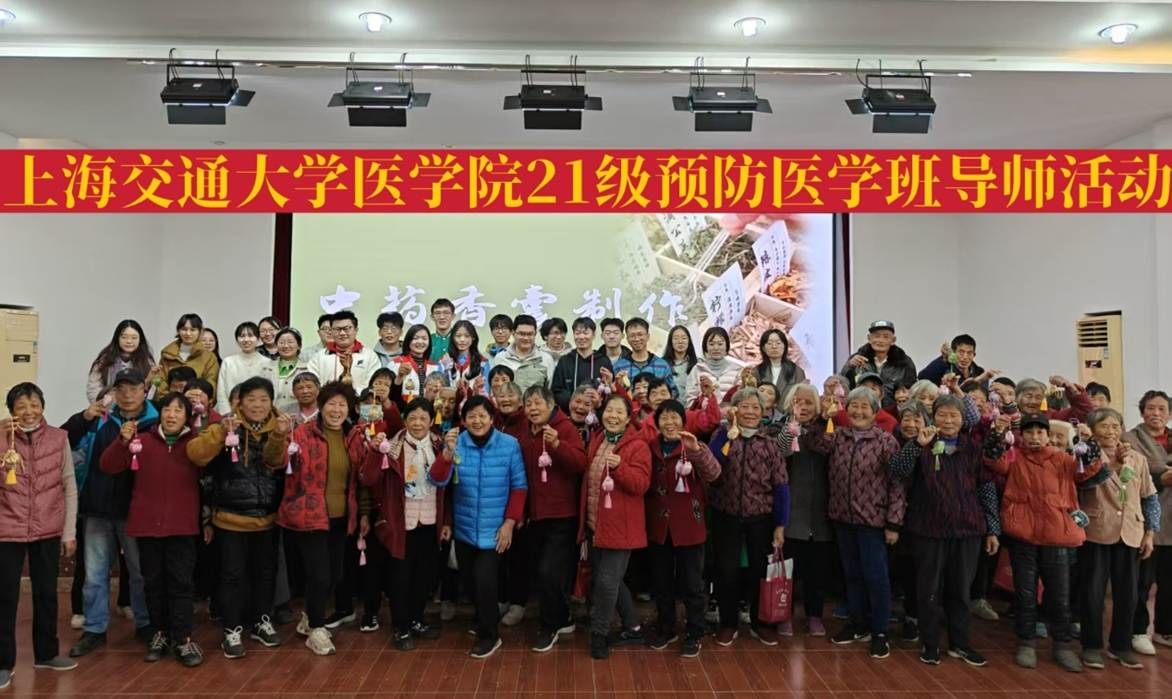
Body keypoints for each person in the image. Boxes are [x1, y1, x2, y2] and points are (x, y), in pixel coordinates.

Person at [984, 412, 1104, 672]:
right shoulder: (1014, 458)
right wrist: (997, 433)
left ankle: (1062, 645)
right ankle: (1026, 642)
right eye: (1029, 432)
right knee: (1025, 594)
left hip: (1058, 536)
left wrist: (1089, 441)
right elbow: (992, 460)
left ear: (1048, 435)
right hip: (1023, 536)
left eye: (1040, 432)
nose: (1034, 437)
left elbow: (1089, 471)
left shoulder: (1064, 459)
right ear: (1021, 435)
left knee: (1059, 595)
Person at [889, 395, 1001, 668]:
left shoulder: (972, 447)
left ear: (963, 420)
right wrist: (917, 444)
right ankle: (930, 644)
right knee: (928, 589)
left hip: (967, 529)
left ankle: (960, 644)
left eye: (954, 416)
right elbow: (896, 470)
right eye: (942, 415)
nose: (948, 421)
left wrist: (992, 529)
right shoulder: (921, 444)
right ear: (933, 417)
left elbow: (986, 488)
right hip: (928, 529)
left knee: (960, 590)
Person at [99, 392, 204, 667]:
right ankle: (159, 634)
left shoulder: (196, 444)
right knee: (153, 583)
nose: (171, 415)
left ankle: (183, 638)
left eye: (178, 410)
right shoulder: (141, 441)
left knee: (181, 584)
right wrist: (122, 441)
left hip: (182, 527)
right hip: (147, 526)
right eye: (167, 409)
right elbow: (108, 465)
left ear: (187, 416)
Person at [186, 376, 287, 660]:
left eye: (264, 399)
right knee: (232, 576)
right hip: (230, 518)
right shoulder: (225, 425)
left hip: (267, 517)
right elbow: (196, 455)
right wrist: (222, 432)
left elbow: (276, 462)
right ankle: (231, 629)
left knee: (265, 574)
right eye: (251, 399)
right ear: (240, 402)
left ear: (271, 402)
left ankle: (261, 621)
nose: (257, 405)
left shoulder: (278, 426)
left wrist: (279, 435)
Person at [805, 386, 906, 660]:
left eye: (864, 407)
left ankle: (880, 631)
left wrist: (894, 523)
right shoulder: (838, 436)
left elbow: (897, 485)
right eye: (854, 406)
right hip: (842, 518)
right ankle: (858, 623)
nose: (858, 412)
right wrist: (821, 418)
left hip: (874, 521)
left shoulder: (885, 441)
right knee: (852, 575)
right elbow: (815, 443)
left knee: (876, 578)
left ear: (875, 412)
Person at [63, 369, 155, 657]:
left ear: (145, 390)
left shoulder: (155, 421)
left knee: (140, 572)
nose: (127, 395)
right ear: (113, 392)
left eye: (134, 389)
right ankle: (94, 629)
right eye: (121, 389)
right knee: (94, 573)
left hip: (136, 510)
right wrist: (84, 417)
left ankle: (146, 624)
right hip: (98, 507)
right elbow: (63, 440)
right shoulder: (100, 418)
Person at [281, 382, 373, 655]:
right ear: (321, 406)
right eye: (331, 404)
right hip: (308, 516)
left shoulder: (354, 437)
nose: (336, 410)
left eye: (342, 405)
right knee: (319, 575)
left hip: (342, 517)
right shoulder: (302, 433)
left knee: (335, 575)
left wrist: (364, 513)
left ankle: (310, 616)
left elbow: (361, 479)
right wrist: (279, 438)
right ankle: (317, 629)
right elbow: (278, 462)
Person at [0, 383, 79, 688]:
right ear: (11, 410)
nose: (29, 411)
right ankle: (3, 663)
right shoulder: (2, 437)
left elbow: (69, 486)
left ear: (43, 407)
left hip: (48, 527)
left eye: (34, 405)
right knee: (5, 597)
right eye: (21, 406)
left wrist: (69, 532)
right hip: (7, 528)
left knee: (47, 594)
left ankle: (46, 654)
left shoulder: (59, 438)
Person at [359, 398, 453, 650]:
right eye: (413, 418)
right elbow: (368, 479)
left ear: (431, 421)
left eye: (423, 418)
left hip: (430, 522)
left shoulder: (440, 445)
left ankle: (416, 619)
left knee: (424, 577)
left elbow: (447, 490)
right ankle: (401, 628)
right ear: (404, 419)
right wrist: (373, 452)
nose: (418, 423)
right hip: (400, 524)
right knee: (400, 579)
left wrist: (446, 521)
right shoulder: (390, 447)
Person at [1076, 407, 1159, 670]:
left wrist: (1150, 533)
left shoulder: (1138, 458)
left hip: (1131, 532)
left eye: (1115, 426)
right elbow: (1084, 484)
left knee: (1128, 594)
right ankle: (1091, 646)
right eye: (1104, 426)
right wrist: (1113, 464)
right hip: (1096, 530)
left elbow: (1150, 498)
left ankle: (1121, 646)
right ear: (1092, 430)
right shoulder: (1084, 454)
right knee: (1092, 592)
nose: (1111, 431)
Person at [707, 389, 788, 648]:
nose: (750, 412)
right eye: (744, 406)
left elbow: (781, 486)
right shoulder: (722, 435)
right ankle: (728, 623)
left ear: (763, 412)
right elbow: (710, 466)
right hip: (726, 513)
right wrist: (727, 435)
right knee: (726, 570)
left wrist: (780, 524)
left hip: (760, 517)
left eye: (756, 407)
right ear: (735, 409)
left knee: (760, 571)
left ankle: (760, 623)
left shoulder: (770, 443)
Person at [450, 396, 527, 659]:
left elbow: (519, 486)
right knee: (469, 582)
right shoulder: (457, 443)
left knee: (485, 581)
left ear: (492, 418)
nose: (477, 421)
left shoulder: (509, 445)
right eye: (471, 416)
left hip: (495, 530)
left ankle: (490, 635)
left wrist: (509, 523)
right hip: (464, 527)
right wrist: (446, 454)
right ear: (463, 420)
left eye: (482, 415)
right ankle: (483, 616)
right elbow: (440, 481)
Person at [513, 385, 588, 652]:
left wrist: (557, 445)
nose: (533, 408)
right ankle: (563, 618)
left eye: (537, 403)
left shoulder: (564, 428)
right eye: (528, 404)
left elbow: (580, 463)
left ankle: (549, 626)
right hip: (534, 514)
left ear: (551, 405)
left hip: (562, 515)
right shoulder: (524, 430)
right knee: (543, 572)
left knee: (550, 572)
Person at [644, 399, 721, 657]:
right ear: (657, 422)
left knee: (692, 583)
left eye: (674, 417)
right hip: (659, 526)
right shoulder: (650, 447)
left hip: (689, 524)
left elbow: (714, 474)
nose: (670, 422)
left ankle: (695, 632)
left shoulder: (694, 445)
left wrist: (696, 450)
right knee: (661, 582)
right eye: (664, 417)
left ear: (683, 421)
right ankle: (666, 628)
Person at [580, 393, 651, 659]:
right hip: (596, 523)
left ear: (628, 418)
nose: (613, 416)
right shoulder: (598, 439)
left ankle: (599, 634)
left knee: (606, 582)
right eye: (609, 410)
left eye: (620, 412)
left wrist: (620, 467)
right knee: (611, 578)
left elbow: (641, 485)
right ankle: (633, 626)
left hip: (621, 527)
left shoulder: (638, 446)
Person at [776, 383, 834, 637]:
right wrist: (793, 426)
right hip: (792, 511)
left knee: (817, 570)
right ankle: (784, 615)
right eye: (798, 401)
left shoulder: (826, 428)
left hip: (821, 512)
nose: (804, 406)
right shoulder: (782, 427)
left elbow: (828, 449)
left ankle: (814, 616)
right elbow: (781, 451)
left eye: (809, 402)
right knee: (787, 568)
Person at [1122, 390, 1172, 653]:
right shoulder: (1130, 438)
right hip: (1144, 520)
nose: (1156, 413)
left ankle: (1166, 629)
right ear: (1142, 412)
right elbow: (1137, 471)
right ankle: (1137, 630)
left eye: (1162, 409)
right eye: (1151, 408)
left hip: (1171, 521)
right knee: (1141, 581)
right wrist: (1162, 475)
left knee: (1170, 581)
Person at [840, 320, 917, 404]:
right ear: (869, 338)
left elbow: (912, 390)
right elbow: (842, 386)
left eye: (886, 337)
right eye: (877, 336)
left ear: (893, 340)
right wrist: (849, 366)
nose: (880, 340)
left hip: (893, 409)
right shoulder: (856, 359)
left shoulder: (904, 362)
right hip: (862, 407)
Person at [551, 317, 613, 412]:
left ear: (593, 335)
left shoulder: (603, 361)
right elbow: (557, 390)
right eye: (577, 333)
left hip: (597, 414)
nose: (581, 337)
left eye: (585, 333)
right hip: (570, 413)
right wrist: (576, 402)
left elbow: (609, 390)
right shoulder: (565, 361)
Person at [307, 311, 380, 391]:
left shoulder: (370, 356)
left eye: (346, 328)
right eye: (337, 329)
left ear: (356, 330)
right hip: (327, 398)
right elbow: (313, 385)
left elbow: (373, 385)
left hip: (360, 399)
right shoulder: (318, 357)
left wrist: (352, 395)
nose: (342, 333)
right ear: (331, 331)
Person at [86, 319, 156, 403]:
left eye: (134, 338)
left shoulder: (147, 362)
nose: (129, 341)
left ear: (140, 340)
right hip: (107, 406)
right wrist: (103, 404)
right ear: (117, 338)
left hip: (137, 407)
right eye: (124, 337)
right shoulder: (105, 359)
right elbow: (93, 387)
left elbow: (151, 390)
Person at [216, 322, 272, 414]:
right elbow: (221, 393)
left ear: (258, 339)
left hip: (259, 413)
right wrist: (227, 414)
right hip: (233, 413)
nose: (246, 339)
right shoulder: (228, 362)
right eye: (242, 336)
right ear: (237, 340)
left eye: (250, 335)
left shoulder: (267, 363)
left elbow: (270, 392)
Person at [158, 314, 220, 395]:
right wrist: (169, 399)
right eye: (184, 329)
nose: (188, 333)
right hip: (171, 401)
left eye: (193, 330)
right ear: (178, 331)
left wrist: (196, 397)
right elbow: (161, 382)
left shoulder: (209, 357)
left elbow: (212, 384)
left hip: (197, 401)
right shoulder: (167, 354)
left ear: (200, 332)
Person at [612, 318, 676, 397]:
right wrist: (619, 387)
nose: (637, 339)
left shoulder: (662, 365)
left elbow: (673, 392)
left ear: (648, 336)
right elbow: (613, 395)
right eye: (632, 335)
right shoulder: (619, 366)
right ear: (627, 339)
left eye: (640, 334)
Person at [492, 315, 555, 393]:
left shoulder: (546, 359)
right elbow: (494, 389)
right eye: (521, 334)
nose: (526, 338)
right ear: (513, 333)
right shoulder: (500, 358)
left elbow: (550, 390)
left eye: (530, 334)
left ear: (535, 334)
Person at [684, 327, 741, 405]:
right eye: (711, 344)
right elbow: (690, 399)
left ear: (727, 346)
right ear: (706, 347)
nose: (716, 348)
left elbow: (741, 400)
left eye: (720, 344)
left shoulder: (737, 370)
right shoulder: (697, 370)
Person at [388, 325, 442, 405]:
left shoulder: (436, 367)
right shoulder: (395, 364)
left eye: (424, 338)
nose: (420, 342)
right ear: (408, 341)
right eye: (415, 338)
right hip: (404, 410)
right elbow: (390, 395)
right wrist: (399, 376)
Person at [754, 329, 806, 407]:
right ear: (763, 348)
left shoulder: (797, 372)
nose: (774, 347)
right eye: (769, 343)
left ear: (785, 346)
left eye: (778, 343)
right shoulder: (756, 371)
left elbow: (800, 399)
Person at [268, 327, 310, 415]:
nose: (286, 346)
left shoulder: (307, 369)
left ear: (299, 346)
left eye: (290, 342)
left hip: (296, 417)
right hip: (270, 417)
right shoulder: (266, 368)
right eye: (281, 342)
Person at [1015, 376, 1093, 423]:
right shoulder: (1010, 417)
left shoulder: (1050, 417)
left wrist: (1069, 386)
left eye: (1038, 397)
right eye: (1028, 396)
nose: (1033, 402)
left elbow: (1084, 411)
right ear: (1018, 397)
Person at [918, 334, 987, 385]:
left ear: (974, 355)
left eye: (969, 353)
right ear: (953, 353)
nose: (965, 357)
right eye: (961, 352)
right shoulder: (944, 368)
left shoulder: (980, 372)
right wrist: (944, 359)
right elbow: (922, 378)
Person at [446, 320, 490, 395]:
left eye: (467, 336)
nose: (462, 340)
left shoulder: (483, 362)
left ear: (473, 338)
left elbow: (486, 391)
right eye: (458, 336)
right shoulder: (445, 360)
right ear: (452, 338)